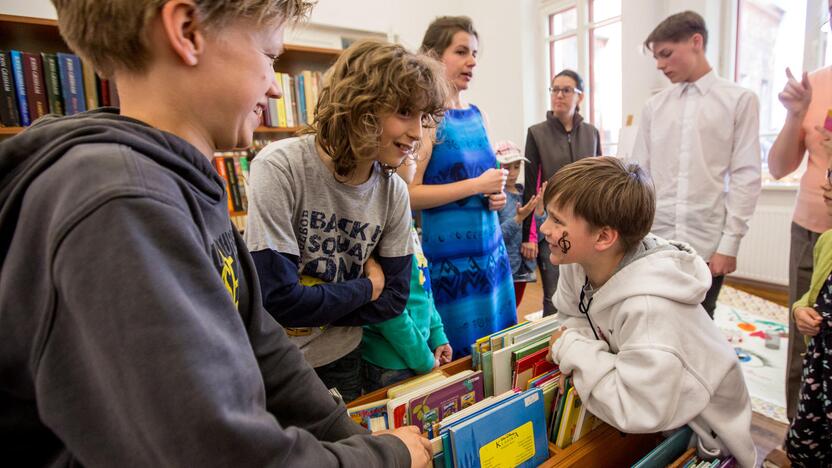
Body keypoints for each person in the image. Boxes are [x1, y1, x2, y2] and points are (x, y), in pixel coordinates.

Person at [0, 1, 432, 465]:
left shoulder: (182, 180)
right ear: (187, 31)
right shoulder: (121, 203)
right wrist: (386, 459)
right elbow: (216, 453)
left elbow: (263, 345)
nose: (274, 85)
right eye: (269, 56)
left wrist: (349, 436)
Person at [244, 39, 448, 403]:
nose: (417, 133)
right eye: (404, 112)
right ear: (361, 105)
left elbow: (394, 300)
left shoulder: (394, 192)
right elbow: (276, 299)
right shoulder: (279, 167)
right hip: (277, 361)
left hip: (344, 360)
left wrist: (311, 303)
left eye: (422, 118)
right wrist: (366, 289)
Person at [543, 157, 756, 467]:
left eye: (558, 221)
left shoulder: (650, 309)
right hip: (658, 408)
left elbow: (635, 408)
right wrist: (579, 344)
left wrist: (569, 347)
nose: (545, 229)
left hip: (704, 437)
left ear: (604, 237)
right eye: (548, 215)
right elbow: (572, 316)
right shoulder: (577, 262)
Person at [632, 10, 761, 319]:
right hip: (655, 239)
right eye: (656, 58)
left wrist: (729, 244)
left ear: (696, 42)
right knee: (653, 317)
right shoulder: (655, 106)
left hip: (706, 240)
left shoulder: (739, 100)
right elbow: (638, 173)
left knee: (700, 324)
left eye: (666, 54)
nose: (660, 65)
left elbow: (746, 175)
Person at [408, 16, 516, 359]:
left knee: (498, 353)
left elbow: (485, 183)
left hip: (491, 254)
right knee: (461, 361)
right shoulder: (428, 117)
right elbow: (409, 194)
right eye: (461, 52)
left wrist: (495, 195)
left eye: (474, 53)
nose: (472, 61)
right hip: (451, 261)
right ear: (434, 56)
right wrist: (475, 185)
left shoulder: (477, 114)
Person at [767, 0, 832, 422]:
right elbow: (779, 167)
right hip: (810, 229)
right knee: (804, 332)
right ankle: (798, 436)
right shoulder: (817, 84)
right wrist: (794, 115)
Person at [523, 69, 601, 316]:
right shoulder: (537, 133)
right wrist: (529, 235)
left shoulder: (591, 133)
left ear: (580, 97)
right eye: (555, 89)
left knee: (591, 292)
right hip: (552, 225)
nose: (559, 95)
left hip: (587, 225)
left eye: (566, 90)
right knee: (554, 297)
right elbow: (530, 187)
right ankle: (551, 349)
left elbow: (600, 182)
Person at [786, 137, 832, 465]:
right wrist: (800, 309)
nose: (826, 187)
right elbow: (812, 295)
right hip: (819, 372)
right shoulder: (827, 241)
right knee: (808, 444)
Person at [494, 140, 544, 307]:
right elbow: (495, 236)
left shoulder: (525, 193)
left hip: (524, 268)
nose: (513, 173)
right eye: (507, 167)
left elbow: (539, 234)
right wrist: (518, 219)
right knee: (504, 310)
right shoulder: (496, 198)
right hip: (504, 268)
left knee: (514, 308)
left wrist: (539, 210)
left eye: (517, 167)